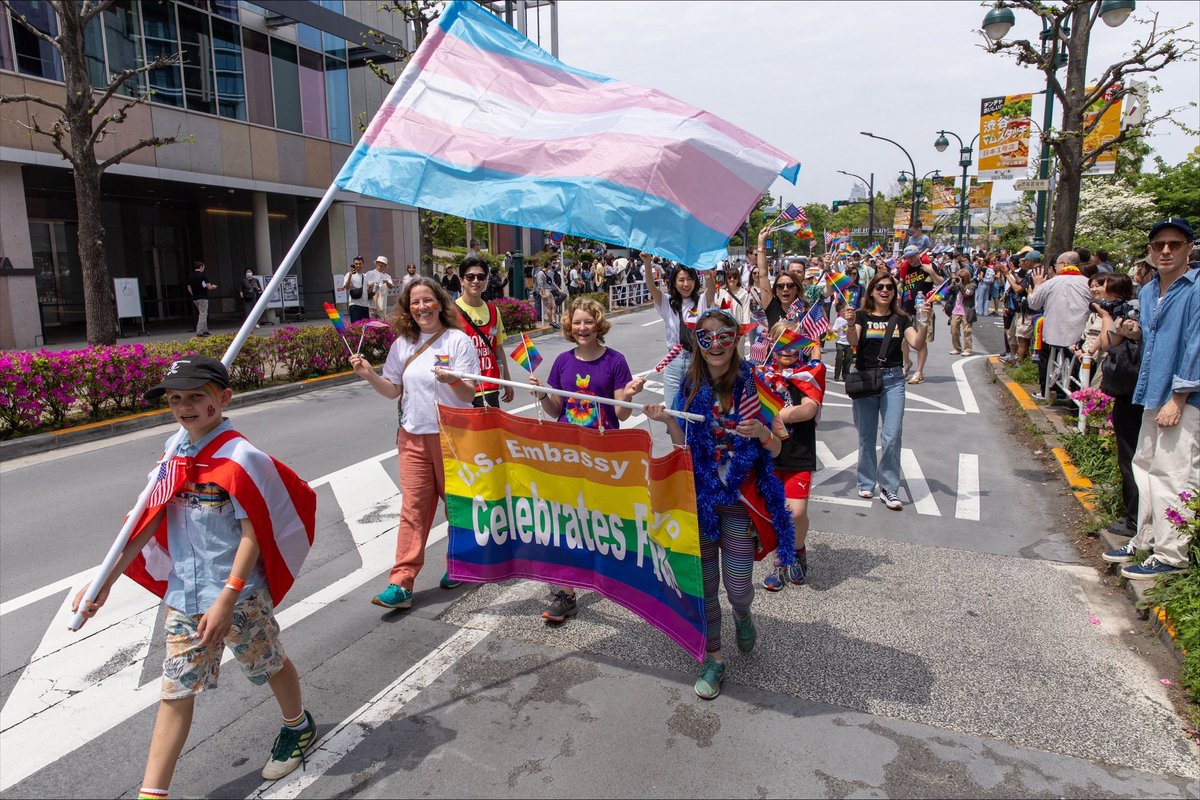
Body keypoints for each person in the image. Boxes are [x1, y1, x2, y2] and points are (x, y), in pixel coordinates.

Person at [72, 355, 319, 796]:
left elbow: (254, 532)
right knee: (176, 691)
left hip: (239, 597)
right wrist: (106, 580)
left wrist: (228, 597)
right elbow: (150, 516)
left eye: (195, 397)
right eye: (174, 398)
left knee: (267, 663)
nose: (184, 406)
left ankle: (297, 725)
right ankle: (153, 793)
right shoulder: (175, 450)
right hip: (185, 594)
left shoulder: (241, 456)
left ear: (222, 398)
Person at [644, 308, 794, 700]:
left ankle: (743, 614)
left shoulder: (753, 384)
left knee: (739, 587)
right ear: (697, 342)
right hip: (701, 500)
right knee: (705, 586)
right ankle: (714, 657)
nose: (715, 344)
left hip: (741, 501)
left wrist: (762, 430)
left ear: (736, 339)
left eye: (723, 335)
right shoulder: (690, 386)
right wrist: (666, 421)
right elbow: (682, 445)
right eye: (705, 336)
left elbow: (777, 447)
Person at [349, 278, 479, 609]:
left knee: (456, 506)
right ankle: (401, 583)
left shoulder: (458, 341)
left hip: (453, 437)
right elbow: (393, 390)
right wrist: (368, 374)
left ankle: (462, 565)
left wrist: (454, 379)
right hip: (412, 437)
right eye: (415, 303)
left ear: (440, 303)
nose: (422, 307)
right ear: (408, 309)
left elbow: (469, 393)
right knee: (413, 510)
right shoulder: (402, 345)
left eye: (427, 300)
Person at [528, 297, 646, 623]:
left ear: (598, 325)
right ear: (570, 326)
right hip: (567, 450)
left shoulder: (616, 361)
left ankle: (611, 573)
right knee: (566, 520)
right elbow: (557, 410)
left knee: (598, 520)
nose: (582, 328)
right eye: (577, 322)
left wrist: (629, 395)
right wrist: (541, 395)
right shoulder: (563, 362)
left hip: (602, 454)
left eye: (588, 322)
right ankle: (566, 593)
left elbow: (620, 413)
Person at [1102, 218, 1199, 579]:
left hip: (1183, 397)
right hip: (1150, 391)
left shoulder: (1196, 288)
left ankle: (1171, 555)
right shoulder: (1148, 290)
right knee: (1144, 469)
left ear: (1189, 248)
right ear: (1150, 250)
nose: (1166, 251)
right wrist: (1135, 331)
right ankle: (1145, 539)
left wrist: (1179, 398)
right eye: (1159, 245)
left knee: (1174, 475)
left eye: (1175, 244)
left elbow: (1195, 346)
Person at [843, 271, 929, 510]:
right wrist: (850, 324)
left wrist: (924, 322)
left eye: (889, 288)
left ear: (894, 292)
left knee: (892, 436)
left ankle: (889, 488)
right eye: (879, 287)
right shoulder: (861, 316)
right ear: (871, 291)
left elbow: (917, 344)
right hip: (866, 379)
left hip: (893, 379)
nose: (884, 291)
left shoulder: (901, 318)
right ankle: (866, 482)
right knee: (867, 436)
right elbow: (853, 341)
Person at [760, 320, 825, 591]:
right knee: (776, 510)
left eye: (794, 344)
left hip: (799, 451)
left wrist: (776, 414)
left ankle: (797, 549)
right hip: (768, 453)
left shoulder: (809, 373)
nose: (788, 350)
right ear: (772, 344)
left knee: (796, 512)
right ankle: (780, 560)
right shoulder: (761, 374)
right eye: (782, 343)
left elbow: (809, 409)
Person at [1093, 272, 1142, 535]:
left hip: (1134, 392)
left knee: (1132, 458)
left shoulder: (1132, 310)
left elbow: (1107, 343)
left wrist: (1108, 318)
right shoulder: (1139, 305)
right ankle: (1135, 519)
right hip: (1139, 391)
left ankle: (1135, 521)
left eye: (1101, 286)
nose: (1095, 290)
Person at [646, 252, 715, 409]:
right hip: (674, 363)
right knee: (673, 412)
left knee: (698, 410)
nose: (686, 284)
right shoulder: (667, 303)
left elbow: (711, 291)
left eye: (689, 279)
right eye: (681, 280)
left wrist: (708, 272)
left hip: (697, 361)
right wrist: (647, 263)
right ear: (675, 283)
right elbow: (651, 287)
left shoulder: (701, 300)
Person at [1027, 250, 1091, 401]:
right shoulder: (1087, 283)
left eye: (1056, 265)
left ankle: (1046, 391)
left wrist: (1037, 285)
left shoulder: (1051, 283)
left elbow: (1034, 304)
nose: (1055, 267)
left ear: (1064, 265)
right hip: (1078, 334)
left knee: (1047, 360)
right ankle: (1073, 395)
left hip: (1052, 334)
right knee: (1075, 366)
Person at [455, 256, 514, 410]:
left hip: (490, 386)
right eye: (470, 277)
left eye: (481, 277)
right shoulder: (450, 312)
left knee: (492, 434)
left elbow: (498, 348)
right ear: (462, 280)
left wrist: (507, 381)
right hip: (463, 388)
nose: (476, 281)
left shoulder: (493, 311)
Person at [897, 246, 939, 384]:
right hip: (906, 309)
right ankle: (907, 362)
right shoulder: (905, 268)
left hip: (923, 310)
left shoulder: (928, 265)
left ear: (918, 255)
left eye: (913, 256)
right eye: (908, 257)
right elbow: (898, 283)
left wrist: (931, 272)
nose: (911, 260)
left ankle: (919, 372)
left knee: (921, 342)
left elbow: (941, 283)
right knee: (903, 340)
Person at [945, 268, 977, 356]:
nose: (961, 278)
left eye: (963, 277)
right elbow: (948, 290)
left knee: (967, 331)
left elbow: (967, 294)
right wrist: (953, 282)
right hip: (956, 310)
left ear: (968, 277)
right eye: (960, 276)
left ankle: (968, 349)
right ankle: (957, 348)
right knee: (954, 330)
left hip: (966, 311)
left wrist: (959, 285)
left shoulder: (972, 285)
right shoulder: (957, 284)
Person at [186, 261, 216, 337]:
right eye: (203, 267)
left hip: (195, 298)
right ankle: (199, 331)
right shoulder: (204, 276)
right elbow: (209, 287)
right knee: (203, 314)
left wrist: (193, 294)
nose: (203, 268)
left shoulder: (190, 276)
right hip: (203, 297)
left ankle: (205, 330)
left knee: (202, 313)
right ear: (201, 267)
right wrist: (213, 286)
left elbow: (189, 288)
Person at [342, 256, 372, 323]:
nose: (358, 265)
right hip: (355, 305)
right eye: (356, 264)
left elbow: (367, 290)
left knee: (366, 328)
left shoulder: (365, 276)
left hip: (365, 305)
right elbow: (346, 287)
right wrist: (350, 276)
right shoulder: (348, 275)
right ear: (354, 264)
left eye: (360, 263)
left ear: (363, 264)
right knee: (356, 327)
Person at [534, 260, 558, 328]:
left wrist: (558, 289)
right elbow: (540, 285)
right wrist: (543, 294)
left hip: (549, 291)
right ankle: (551, 321)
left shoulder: (547, 272)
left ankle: (553, 320)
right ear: (548, 265)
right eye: (550, 265)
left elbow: (551, 282)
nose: (552, 266)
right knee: (548, 306)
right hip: (545, 291)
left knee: (554, 306)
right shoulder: (541, 273)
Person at [831, 310, 851, 382]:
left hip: (849, 342)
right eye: (843, 311)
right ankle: (836, 375)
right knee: (839, 358)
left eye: (846, 310)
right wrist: (830, 332)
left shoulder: (852, 319)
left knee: (848, 359)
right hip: (840, 341)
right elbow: (834, 329)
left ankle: (845, 375)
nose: (845, 312)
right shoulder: (839, 320)